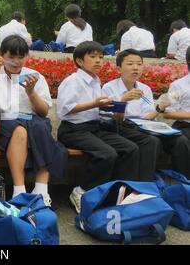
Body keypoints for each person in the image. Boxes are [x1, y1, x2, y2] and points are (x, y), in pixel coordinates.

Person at [56, 41, 140, 213]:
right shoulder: (73, 81)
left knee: (130, 148)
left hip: (94, 128)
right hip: (73, 130)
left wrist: (111, 106)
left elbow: (97, 107)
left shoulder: (95, 80)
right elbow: (65, 109)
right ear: (79, 61)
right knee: (106, 154)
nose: (98, 61)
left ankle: (116, 193)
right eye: (93, 57)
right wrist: (94, 103)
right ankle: (83, 191)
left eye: (101, 57)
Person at [0, 35, 68, 205]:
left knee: (40, 128)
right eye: (11, 57)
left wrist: (31, 93)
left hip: (32, 118)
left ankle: (41, 189)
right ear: (1, 55)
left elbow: (43, 111)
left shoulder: (35, 76)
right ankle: (19, 190)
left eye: (20, 57)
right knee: (20, 130)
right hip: (3, 120)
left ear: (26, 57)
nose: (16, 62)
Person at [101, 49, 190, 180]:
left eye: (139, 64)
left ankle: (184, 181)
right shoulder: (109, 88)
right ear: (119, 69)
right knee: (152, 141)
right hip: (121, 126)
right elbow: (110, 119)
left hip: (144, 126)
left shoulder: (144, 89)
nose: (135, 68)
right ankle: (145, 183)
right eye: (130, 64)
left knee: (180, 140)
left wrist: (160, 107)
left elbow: (148, 116)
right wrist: (123, 100)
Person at [163, 46, 190, 178]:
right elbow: (168, 113)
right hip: (185, 126)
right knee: (181, 142)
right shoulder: (178, 85)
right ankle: (184, 181)